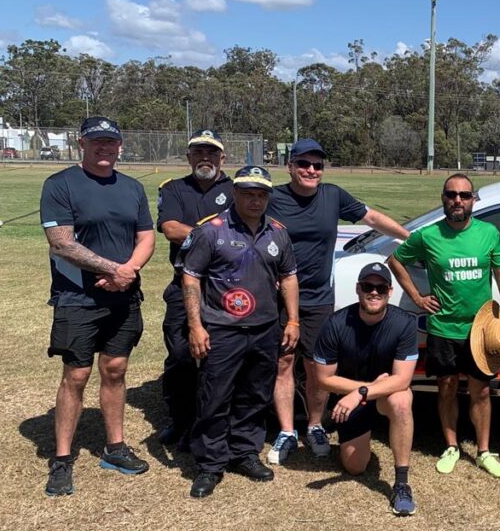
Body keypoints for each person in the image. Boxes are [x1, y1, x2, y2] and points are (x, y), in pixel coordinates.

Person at [265, 138, 409, 466]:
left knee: (317, 368)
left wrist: (412, 238)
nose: (311, 170)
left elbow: (372, 218)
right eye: (303, 164)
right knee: (283, 363)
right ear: (290, 166)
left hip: (317, 298)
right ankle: (287, 429)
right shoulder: (273, 197)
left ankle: (315, 424)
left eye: (317, 165)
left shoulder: (333, 196)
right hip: (277, 298)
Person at [40, 116, 155, 497]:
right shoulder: (60, 184)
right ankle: (61, 458)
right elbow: (61, 242)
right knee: (76, 374)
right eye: (97, 142)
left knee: (116, 369)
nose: (105, 148)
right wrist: (113, 269)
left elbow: (146, 236)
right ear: (82, 144)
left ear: (120, 145)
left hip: (122, 295)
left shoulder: (132, 187)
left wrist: (130, 271)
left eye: (111, 142)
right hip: (78, 297)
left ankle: (115, 447)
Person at [388, 173, 500, 478]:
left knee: (481, 392)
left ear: (473, 199)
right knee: (446, 388)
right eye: (451, 194)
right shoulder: (428, 235)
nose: (457, 200)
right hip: (443, 328)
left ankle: (484, 451)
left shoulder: (488, 233)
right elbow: (395, 261)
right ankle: (451, 446)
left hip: (481, 330)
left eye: (463, 195)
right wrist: (417, 297)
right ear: (443, 198)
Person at [181, 166, 300, 498]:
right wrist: (195, 326)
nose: (255, 200)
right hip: (221, 329)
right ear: (234, 192)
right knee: (215, 396)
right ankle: (210, 464)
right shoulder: (211, 231)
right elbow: (191, 278)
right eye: (248, 193)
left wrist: (292, 320)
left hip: (265, 328)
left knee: (255, 395)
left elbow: (289, 277)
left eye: (261, 194)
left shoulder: (278, 233)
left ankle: (244, 452)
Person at [313, 263, 419, 515]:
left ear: (390, 292)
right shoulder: (336, 323)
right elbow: (324, 379)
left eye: (381, 287)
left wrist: (362, 392)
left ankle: (402, 483)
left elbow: (402, 380)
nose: (374, 292)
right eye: (368, 287)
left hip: (382, 396)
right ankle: (358, 431)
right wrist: (373, 386)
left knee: (402, 400)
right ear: (358, 289)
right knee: (355, 467)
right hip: (356, 399)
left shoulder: (404, 323)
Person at [155, 129, 234, 448]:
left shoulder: (236, 188)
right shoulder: (173, 188)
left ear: (222, 158)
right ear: (188, 157)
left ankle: (215, 421)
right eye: (199, 152)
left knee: (224, 358)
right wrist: (217, 242)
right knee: (180, 355)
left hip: (226, 285)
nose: (205, 158)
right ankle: (181, 419)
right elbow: (171, 228)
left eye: (212, 153)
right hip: (184, 283)